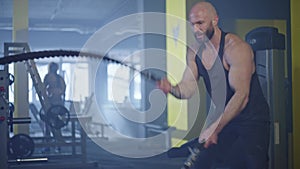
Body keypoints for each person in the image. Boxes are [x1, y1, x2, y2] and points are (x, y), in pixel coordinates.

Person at [158, 2, 270, 169]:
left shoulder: (236, 48)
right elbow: (187, 88)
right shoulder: (194, 51)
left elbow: (241, 96)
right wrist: (172, 89)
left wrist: (215, 129)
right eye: (192, 24)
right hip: (224, 121)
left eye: (201, 23)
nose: (196, 29)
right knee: (200, 162)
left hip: (251, 123)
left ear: (215, 20)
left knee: (238, 163)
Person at [43, 62, 66, 152]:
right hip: (50, 103)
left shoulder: (59, 78)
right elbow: (43, 88)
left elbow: (63, 90)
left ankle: (56, 144)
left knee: (55, 124)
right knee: (49, 125)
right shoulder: (50, 77)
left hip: (56, 103)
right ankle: (50, 145)